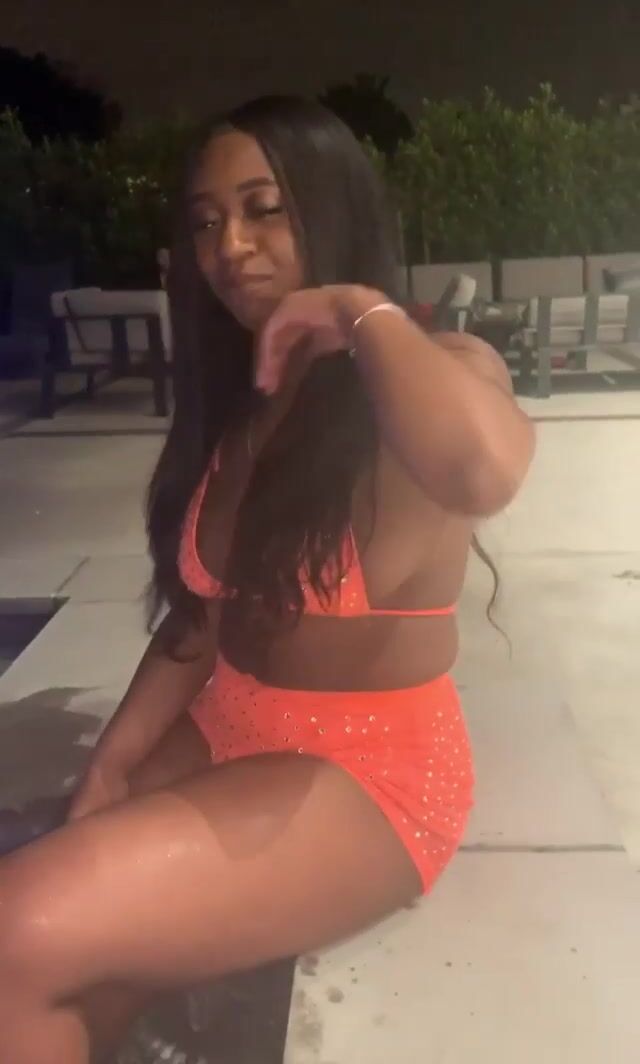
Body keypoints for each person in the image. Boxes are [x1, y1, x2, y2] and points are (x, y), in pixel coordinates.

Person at [0, 95, 535, 1063]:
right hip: (226, 719)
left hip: (367, 772)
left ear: (333, 206)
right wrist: (115, 758)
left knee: (20, 925)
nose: (230, 246)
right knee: (72, 965)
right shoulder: (246, 397)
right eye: (206, 222)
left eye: (264, 208)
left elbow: (482, 470)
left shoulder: (427, 371)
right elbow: (198, 617)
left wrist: (358, 310)